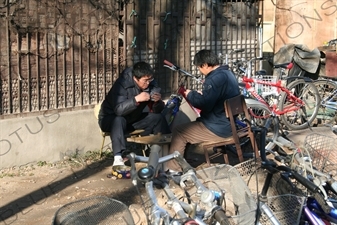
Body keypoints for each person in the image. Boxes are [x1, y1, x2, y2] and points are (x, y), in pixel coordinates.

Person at [165, 49, 240, 174]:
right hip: (229, 123)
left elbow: (205, 104)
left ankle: (174, 170)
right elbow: (216, 97)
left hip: (218, 127)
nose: (200, 71)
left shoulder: (214, 79)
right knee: (188, 127)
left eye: (199, 67)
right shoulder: (227, 73)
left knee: (179, 131)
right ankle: (183, 161)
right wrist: (204, 94)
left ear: (205, 65)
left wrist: (191, 94)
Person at [98, 61, 170, 168]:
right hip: (110, 119)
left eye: (150, 80)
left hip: (133, 118)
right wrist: (136, 99)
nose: (148, 83)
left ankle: (165, 151)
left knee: (158, 118)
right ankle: (118, 158)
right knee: (118, 120)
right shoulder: (122, 84)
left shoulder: (151, 83)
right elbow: (119, 110)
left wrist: (157, 102)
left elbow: (157, 110)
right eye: (145, 81)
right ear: (135, 78)